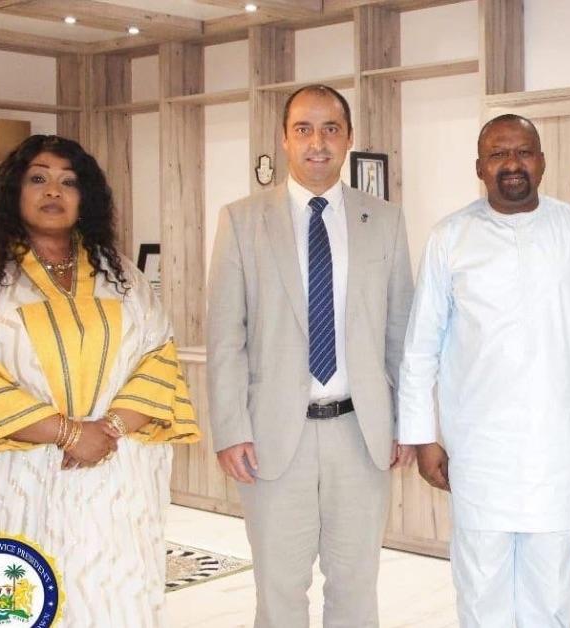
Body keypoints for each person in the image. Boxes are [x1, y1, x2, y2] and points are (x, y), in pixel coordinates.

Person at [0, 134, 201, 627]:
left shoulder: (122, 276)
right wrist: (69, 432)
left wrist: (108, 429)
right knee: (19, 601)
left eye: (68, 182)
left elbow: (158, 361)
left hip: (115, 478)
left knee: (112, 599)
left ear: (85, 197)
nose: (53, 191)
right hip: (18, 477)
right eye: (39, 178)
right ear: (15, 191)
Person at [397, 114, 570, 627]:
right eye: (498, 154)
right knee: (482, 594)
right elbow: (420, 348)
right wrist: (422, 436)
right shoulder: (450, 238)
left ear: (542, 162)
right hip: (479, 451)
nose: (512, 164)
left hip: (558, 444)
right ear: (479, 167)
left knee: (551, 595)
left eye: (523, 152)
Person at [205, 84, 415, 628]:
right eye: (303, 129)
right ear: (284, 139)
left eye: (330, 129)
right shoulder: (241, 221)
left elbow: (400, 333)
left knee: (356, 587)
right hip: (273, 437)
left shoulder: (384, 220)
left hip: (360, 433)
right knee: (279, 590)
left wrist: (406, 421)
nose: (316, 142)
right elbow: (226, 335)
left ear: (348, 138)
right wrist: (230, 429)